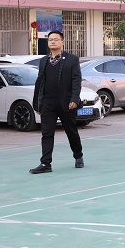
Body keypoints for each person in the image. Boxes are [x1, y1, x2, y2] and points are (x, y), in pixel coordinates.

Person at [29, 30, 84, 174]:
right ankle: (45, 163)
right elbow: (40, 83)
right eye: (50, 39)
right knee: (47, 134)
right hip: (48, 103)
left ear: (62, 42)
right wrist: (38, 103)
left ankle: (78, 156)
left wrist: (74, 99)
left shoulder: (72, 59)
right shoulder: (44, 61)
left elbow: (76, 81)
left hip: (66, 102)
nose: (52, 41)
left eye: (56, 39)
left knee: (71, 131)